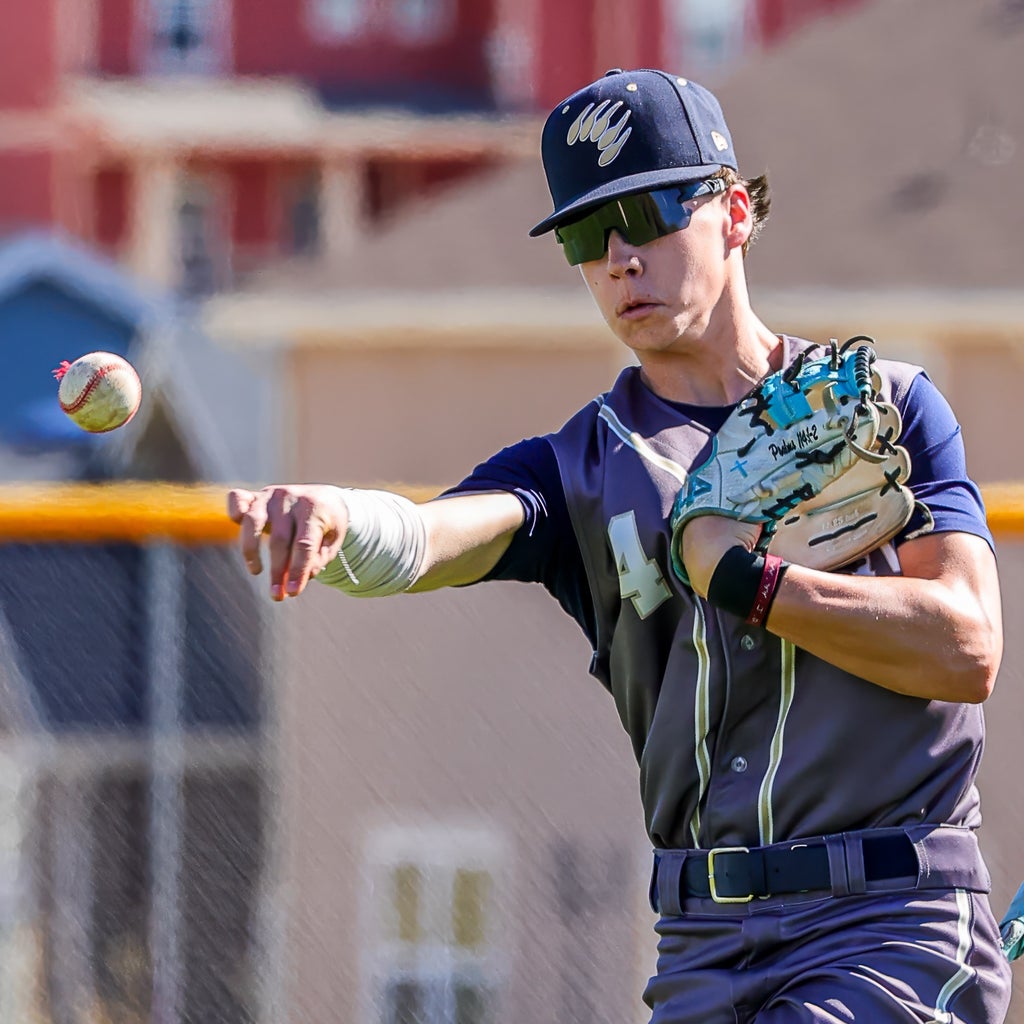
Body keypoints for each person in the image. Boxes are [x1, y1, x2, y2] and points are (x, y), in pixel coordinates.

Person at [228, 68, 1013, 1022]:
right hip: (700, 944)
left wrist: (748, 581)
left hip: (889, 924)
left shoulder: (885, 408)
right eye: (585, 237)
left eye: (643, 214)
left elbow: (966, 647)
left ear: (732, 211)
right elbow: (434, 536)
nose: (617, 260)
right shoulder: (585, 466)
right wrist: (342, 517)